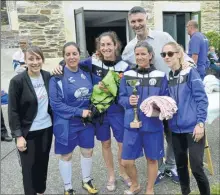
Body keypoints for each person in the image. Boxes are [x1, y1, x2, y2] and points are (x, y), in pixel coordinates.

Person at [52, 31, 131, 191]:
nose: (106, 47)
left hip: (117, 111)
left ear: (116, 45)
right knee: (106, 143)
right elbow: (72, 62)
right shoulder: (92, 61)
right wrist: (59, 66)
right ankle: (111, 176)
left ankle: (123, 172)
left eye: (109, 44)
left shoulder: (125, 66)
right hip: (99, 113)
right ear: (98, 47)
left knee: (122, 144)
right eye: (102, 45)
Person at [122, 6, 179, 184]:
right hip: (147, 100)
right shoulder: (129, 48)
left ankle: (171, 165)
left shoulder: (163, 37)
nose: (137, 24)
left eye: (140, 20)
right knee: (155, 133)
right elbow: (127, 74)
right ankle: (159, 168)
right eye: (133, 21)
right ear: (130, 23)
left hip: (169, 93)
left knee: (171, 132)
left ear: (146, 19)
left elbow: (180, 54)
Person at [49, 42, 98, 195]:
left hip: (86, 122)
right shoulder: (57, 77)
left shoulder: (86, 71)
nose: (71, 57)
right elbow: (56, 105)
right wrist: (79, 112)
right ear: (63, 57)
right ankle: (68, 187)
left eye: (74, 53)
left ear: (79, 54)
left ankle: (86, 180)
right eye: (68, 54)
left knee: (88, 151)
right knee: (67, 155)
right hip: (67, 123)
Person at [119, 41, 168, 194]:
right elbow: (120, 98)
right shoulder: (127, 75)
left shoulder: (160, 75)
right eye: (137, 54)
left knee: (152, 159)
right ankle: (135, 184)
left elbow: (166, 99)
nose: (140, 57)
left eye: (143, 54)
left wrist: (158, 105)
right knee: (126, 161)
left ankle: (149, 188)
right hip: (131, 125)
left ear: (150, 55)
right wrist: (128, 101)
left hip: (153, 125)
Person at [162, 41, 210, 195]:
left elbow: (202, 99)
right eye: (164, 54)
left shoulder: (190, 72)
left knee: (196, 167)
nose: (167, 57)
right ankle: (186, 192)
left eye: (170, 53)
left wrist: (200, 123)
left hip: (193, 128)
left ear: (179, 54)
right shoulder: (169, 76)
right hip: (175, 129)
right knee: (181, 166)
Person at [8, 46, 53, 195]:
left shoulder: (47, 76)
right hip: (28, 132)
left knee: (42, 164)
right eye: (31, 59)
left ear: (42, 60)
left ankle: (40, 191)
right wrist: (18, 136)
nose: (35, 62)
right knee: (28, 171)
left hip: (46, 128)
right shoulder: (17, 81)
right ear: (25, 61)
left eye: (38, 58)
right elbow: (13, 111)